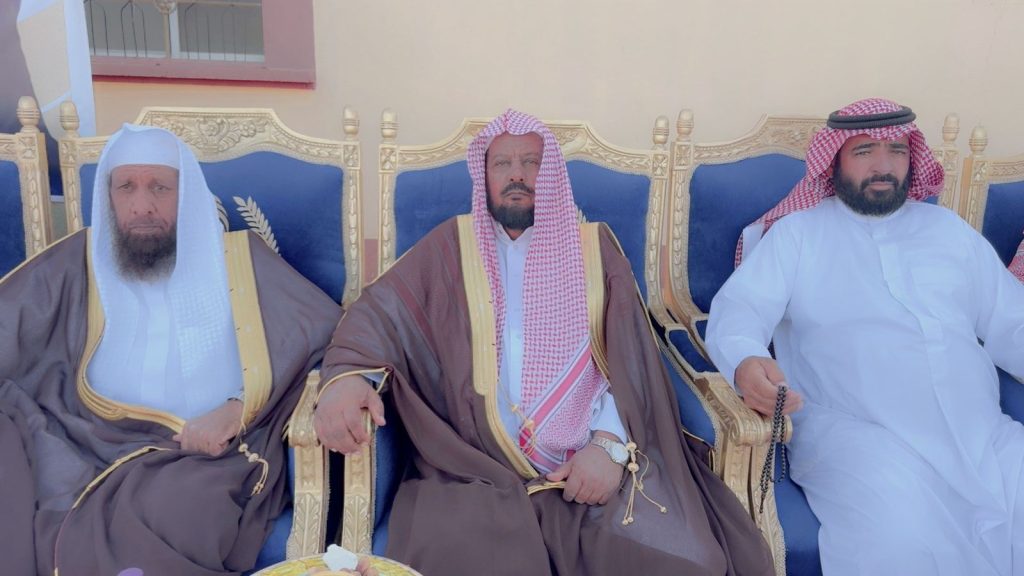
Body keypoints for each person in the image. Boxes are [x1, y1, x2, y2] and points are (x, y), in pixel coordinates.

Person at [314, 109, 773, 576]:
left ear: (550, 173)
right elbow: (377, 314)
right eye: (502, 163)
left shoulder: (595, 250)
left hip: (586, 464)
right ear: (484, 176)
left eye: (530, 163)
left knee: (688, 562)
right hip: (473, 468)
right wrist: (348, 379)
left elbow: (634, 361)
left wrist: (609, 447)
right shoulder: (450, 247)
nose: (516, 174)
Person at [0, 124, 340, 575]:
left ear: (188, 194)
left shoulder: (241, 259)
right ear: (109, 196)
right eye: (126, 187)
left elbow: (328, 334)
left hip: (200, 456)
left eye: (160, 187)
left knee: (179, 508)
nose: (142, 205)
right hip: (80, 438)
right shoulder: (77, 260)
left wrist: (236, 408)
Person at [707, 98, 1024, 575]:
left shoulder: (948, 231)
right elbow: (740, 311)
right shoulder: (798, 235)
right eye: (864, 151)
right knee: (900, 541)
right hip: (860, 438)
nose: (883, 166)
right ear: (834, 160)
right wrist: (746, 362)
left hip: (979, 432)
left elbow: (1012, 322)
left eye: (897, 151)